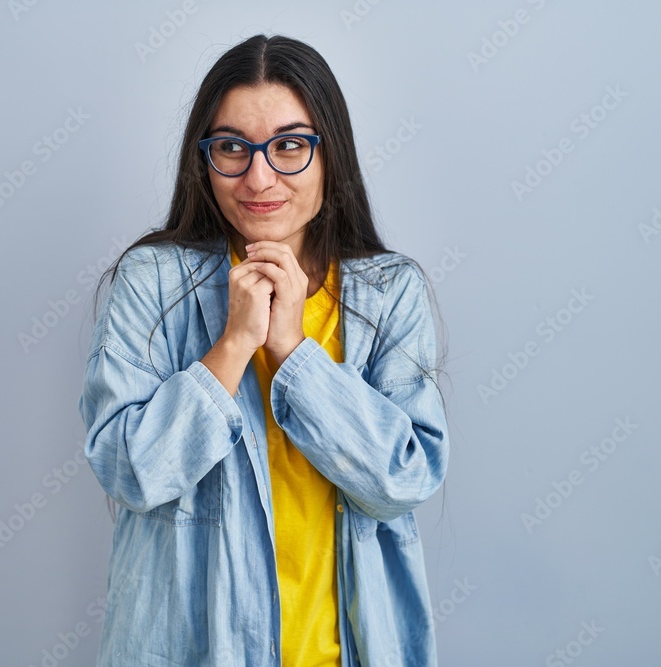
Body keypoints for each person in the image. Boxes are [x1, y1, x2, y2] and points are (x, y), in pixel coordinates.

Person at [79, 33, 450, 666]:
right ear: (205, 159)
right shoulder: (153, 281)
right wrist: (234, 345)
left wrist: (293, 352)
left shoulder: (390, 292)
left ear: (330, 153)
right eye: (231, 148)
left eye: (289, 146)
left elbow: (403, 479)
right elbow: (132, 473)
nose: (258, 177)